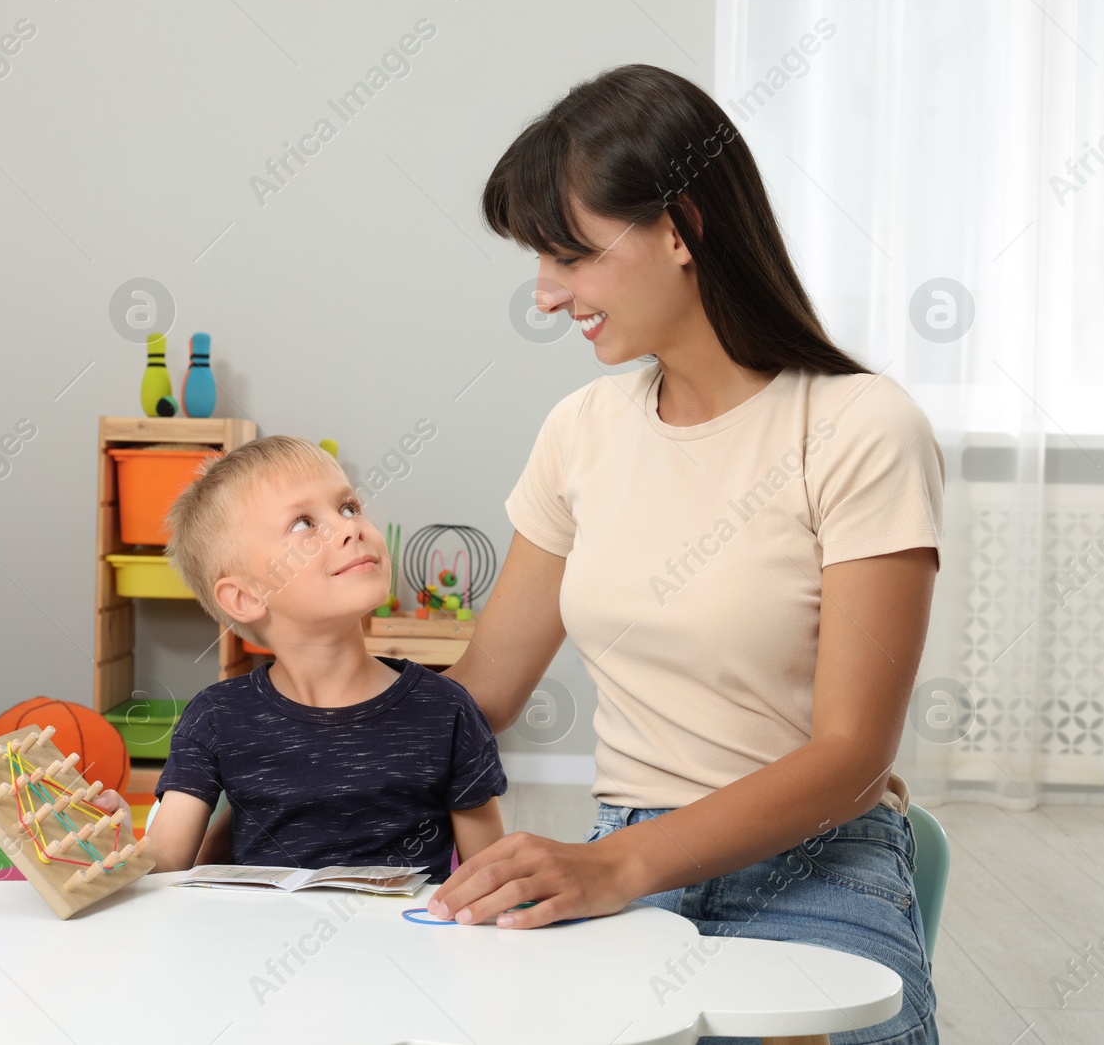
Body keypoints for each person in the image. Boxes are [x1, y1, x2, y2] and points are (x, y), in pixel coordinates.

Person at [422, 64, 942, 1045]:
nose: (543, 295)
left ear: (680, 227)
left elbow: (850, 754)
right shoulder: (580, 429)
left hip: (817, 859)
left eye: (567, 253)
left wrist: (616, 868)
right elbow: (479, 692)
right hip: (623, 854)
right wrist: (275, 719)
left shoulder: (860, 427)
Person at [95, 435, 506, 882]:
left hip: (403, 949)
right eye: (303, 523)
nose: (352, 527)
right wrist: (115, 842)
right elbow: (165, 865)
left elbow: (490, 878)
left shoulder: (447, 711)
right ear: (245, 597)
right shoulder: (216, 718)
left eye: (348, 507)